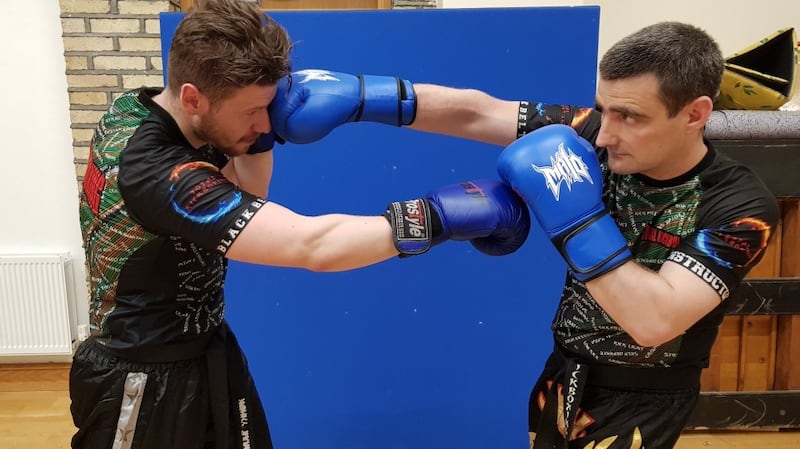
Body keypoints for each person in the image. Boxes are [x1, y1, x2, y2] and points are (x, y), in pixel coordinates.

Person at [268, 21, 780, 449]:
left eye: (630, 117)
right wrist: (362, 95)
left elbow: (653, 320)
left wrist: (574, 215)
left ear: (695, 114)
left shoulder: (739, 208)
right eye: (604, 109)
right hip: (561, 376)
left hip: (642, 400)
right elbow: (477, 111)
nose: (604, 134)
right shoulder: (595, 135)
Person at [69, 0, 532, 448]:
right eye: (251, 111)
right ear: (193, 97)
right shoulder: (156, 172)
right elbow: (312, 246)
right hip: (140, 381)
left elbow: (247, 197)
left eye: (268, 106)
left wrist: (259, 139)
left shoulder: (146, 107)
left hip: (206, 351)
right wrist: (438, 217)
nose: (263, 119)